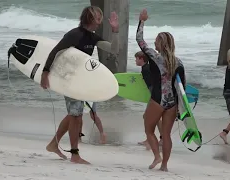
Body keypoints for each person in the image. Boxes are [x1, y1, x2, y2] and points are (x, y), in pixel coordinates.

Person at [40, 6, 119, 164]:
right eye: (98, 19)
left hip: (80, 79)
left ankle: (54, 144)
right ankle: (74, 154)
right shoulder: (74, 35)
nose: (100, 22)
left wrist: (115, 31)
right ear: (90, 18)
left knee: (73, 114)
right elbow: (55, 51)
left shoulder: (93, 37)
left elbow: (114, 49)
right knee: (76, 115)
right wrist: (45, 73)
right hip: (68, 78)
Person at [136, 9, 186, 172]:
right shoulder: (178, 62)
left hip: (157, 99)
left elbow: (139, 40)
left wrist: (142, 21)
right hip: (172, 103)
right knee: (166, 136)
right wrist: (180, 109)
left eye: (157, 41)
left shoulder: (155, 57)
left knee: (149, 130)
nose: (154, 43)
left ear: (161, 44)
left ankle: (157, 156)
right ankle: (164, 166)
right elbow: (181, 88)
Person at [135, 51, 163, 150]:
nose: (135, 60)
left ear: (141, 59)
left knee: (149, 117)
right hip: (155, 95)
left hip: (155, 95)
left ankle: (156, 139)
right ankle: (155, 138)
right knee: (150, 117)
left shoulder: (146, 69)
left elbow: (153, 84)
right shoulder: (146, 68)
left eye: (136, 58)